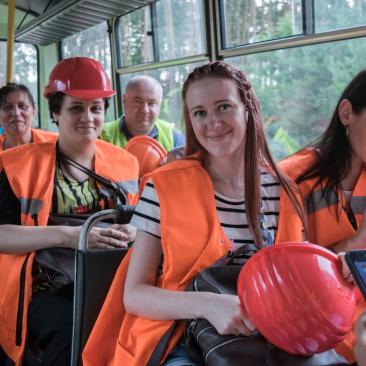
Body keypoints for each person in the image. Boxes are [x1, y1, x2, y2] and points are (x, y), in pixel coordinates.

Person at [83, 61, 309, 366]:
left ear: (248, 109)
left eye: (224, 107)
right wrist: (209, 306)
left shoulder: (285, 192)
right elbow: (134, 294)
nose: (212, 122)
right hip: (180, 337)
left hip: (270, 336)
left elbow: (299, 283)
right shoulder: (164, 187)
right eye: (200, 113)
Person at [0, 57, 139, 366]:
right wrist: (73, 235)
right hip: (48, 286)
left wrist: (136, 231)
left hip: (115, 278)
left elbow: (142, 220)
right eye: (76, 108)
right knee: (70, 333)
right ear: (55, 113)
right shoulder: (16, 166)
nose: (87, 117)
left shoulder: (126, 163)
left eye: (96, 108)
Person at [280, 69, 366, 364]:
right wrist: (356, 242)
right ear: (346, 113)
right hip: (323, 336)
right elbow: (289, 281)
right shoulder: (293, 178)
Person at [100, 75, 185, 151]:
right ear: (124, 100)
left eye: (151, 103)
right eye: (138, 101)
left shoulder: (174, 138)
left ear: (160, 105)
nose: (144, 110)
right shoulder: (101, 135)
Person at [0, 83, 57, 151]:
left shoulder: (56, 144)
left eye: (23, 106)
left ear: (34, 111)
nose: (16, 113)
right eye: (7, 107)